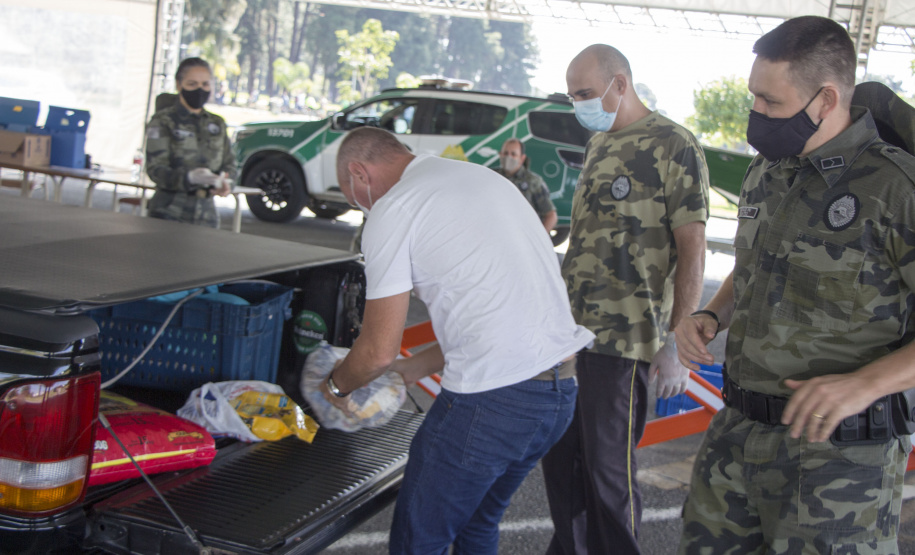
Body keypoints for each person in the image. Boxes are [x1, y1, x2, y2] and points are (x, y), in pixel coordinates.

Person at [675, 16, 915, 554]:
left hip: (839, 459)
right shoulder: (769, 170)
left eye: (771, 103)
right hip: (736, 432)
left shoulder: (893, 188)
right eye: (754, 98)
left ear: (826, 99)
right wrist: (714, 313)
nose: (756, 115)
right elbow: (759, 260)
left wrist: (869, 383)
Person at [319, 127, 594, 554]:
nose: (357, 204)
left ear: (359, 173)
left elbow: (375, 352)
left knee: (419, 540)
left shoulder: (395, 207)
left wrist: (334, 385)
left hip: (493, 405)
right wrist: (412, 368)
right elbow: (498, 312)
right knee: (477, 526)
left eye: (350, 193)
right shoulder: (482, 181)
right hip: (558, 394)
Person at [542, 44, 710, 554]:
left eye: (586, 93)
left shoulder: (673, 143)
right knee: (562, 468)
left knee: (609, 476)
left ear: (621, 84)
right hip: (572, 337)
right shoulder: (597, 144)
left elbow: (692, 248)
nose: (579, 104)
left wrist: (677, 344)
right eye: (572, 95)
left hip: (626, 341)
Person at [145, 57, 234, 228]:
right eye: (192, 84)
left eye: (205, 84)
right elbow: (155, 169)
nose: (200, 90)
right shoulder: (163, 121)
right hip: (169, 212)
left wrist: (226, 183)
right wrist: (189, 178)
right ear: (179, 85)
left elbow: (230, 164)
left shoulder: (216, 124)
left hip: (207, 215)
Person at [494, 138, 558, 232]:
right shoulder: (493, 176)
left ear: (522, 158)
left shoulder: (533, 182)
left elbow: (551, 216)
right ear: (500, 154)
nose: (508, 157)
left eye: (513, 154)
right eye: (505, 153)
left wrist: (538, 240)